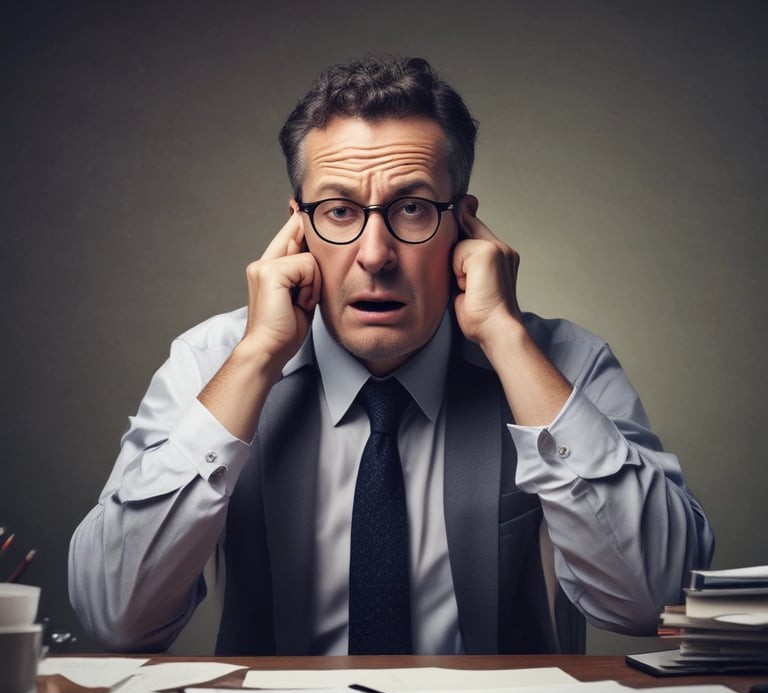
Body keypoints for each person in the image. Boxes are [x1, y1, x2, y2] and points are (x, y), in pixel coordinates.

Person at [68, 55, 714, 656]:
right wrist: (257, 359)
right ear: (298, 229)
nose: (374, 255)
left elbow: (654, 601)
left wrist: (506, 339)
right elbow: (116, 617)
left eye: (410, 208)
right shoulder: (214, 361)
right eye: (339, 211)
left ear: (463, 224)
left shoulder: (557, 360)